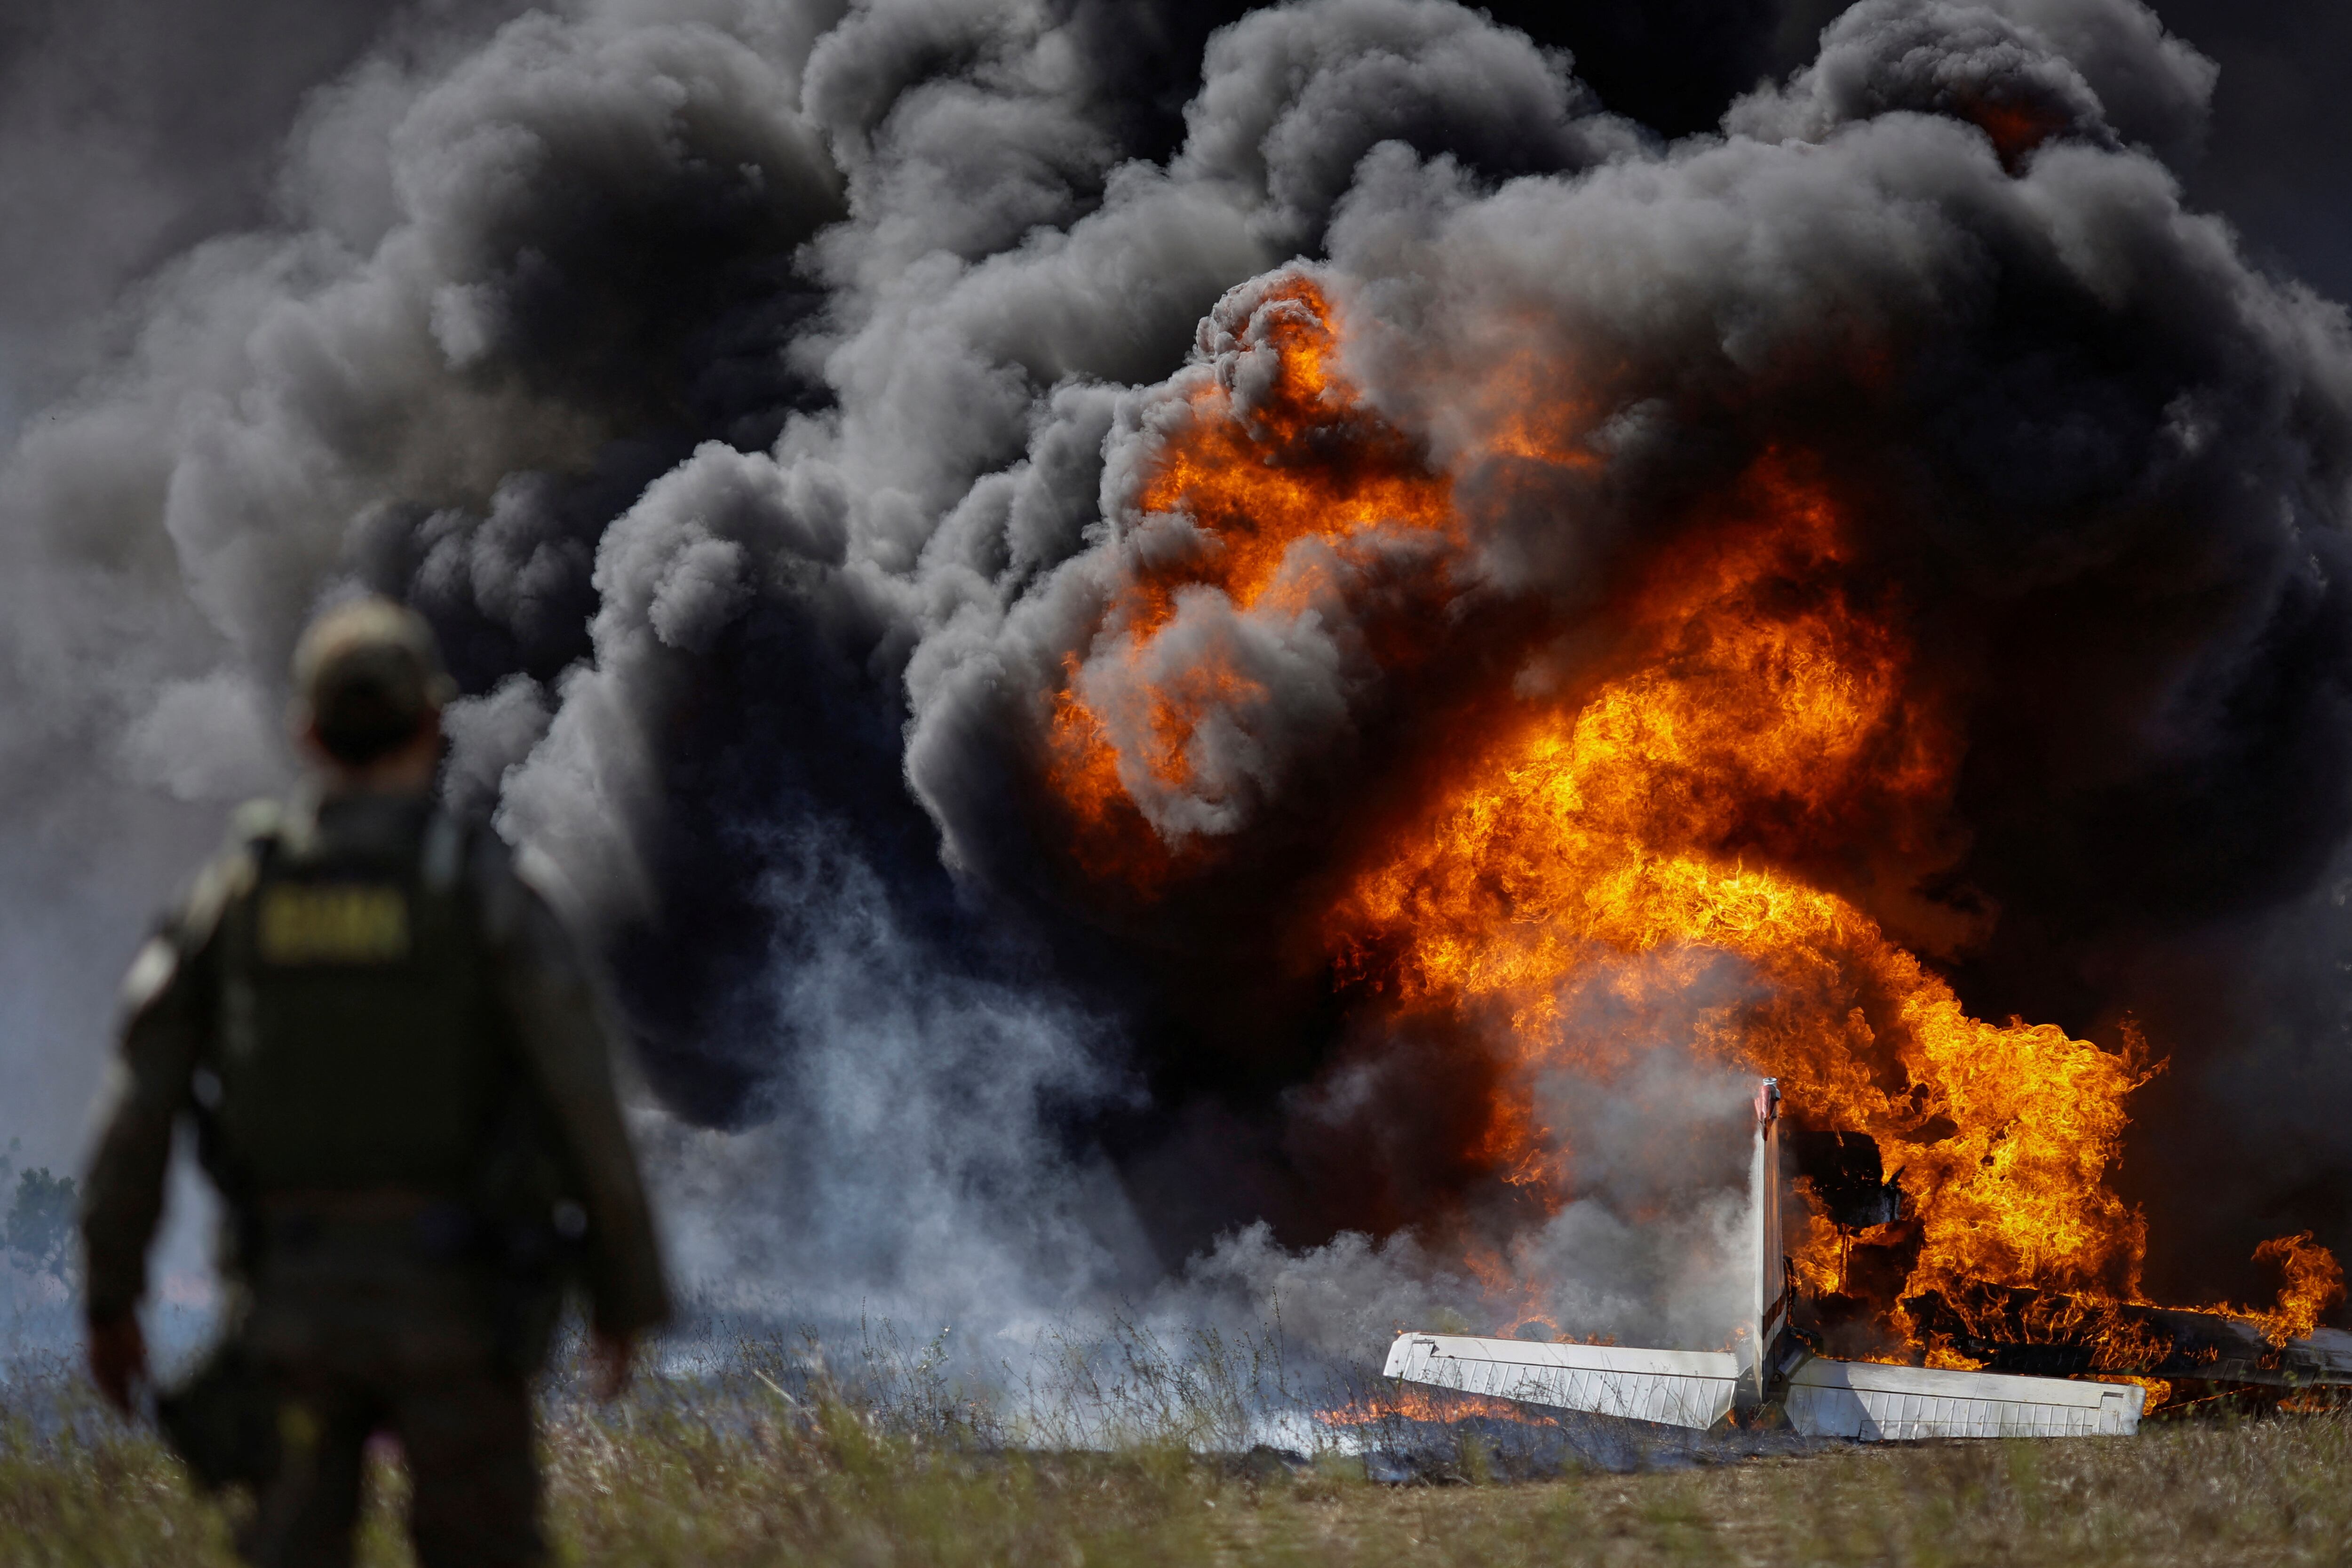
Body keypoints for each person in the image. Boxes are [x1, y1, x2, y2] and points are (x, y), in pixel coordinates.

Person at [79, 596, 670, 1568]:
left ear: (305, 730)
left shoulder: (236, 896)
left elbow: (136, 1104)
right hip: (458, 1314)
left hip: (291, 1308)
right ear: (432, 723)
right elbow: (582, 1097)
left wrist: (111, 1296)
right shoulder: (483, 893)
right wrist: (624, 1293)